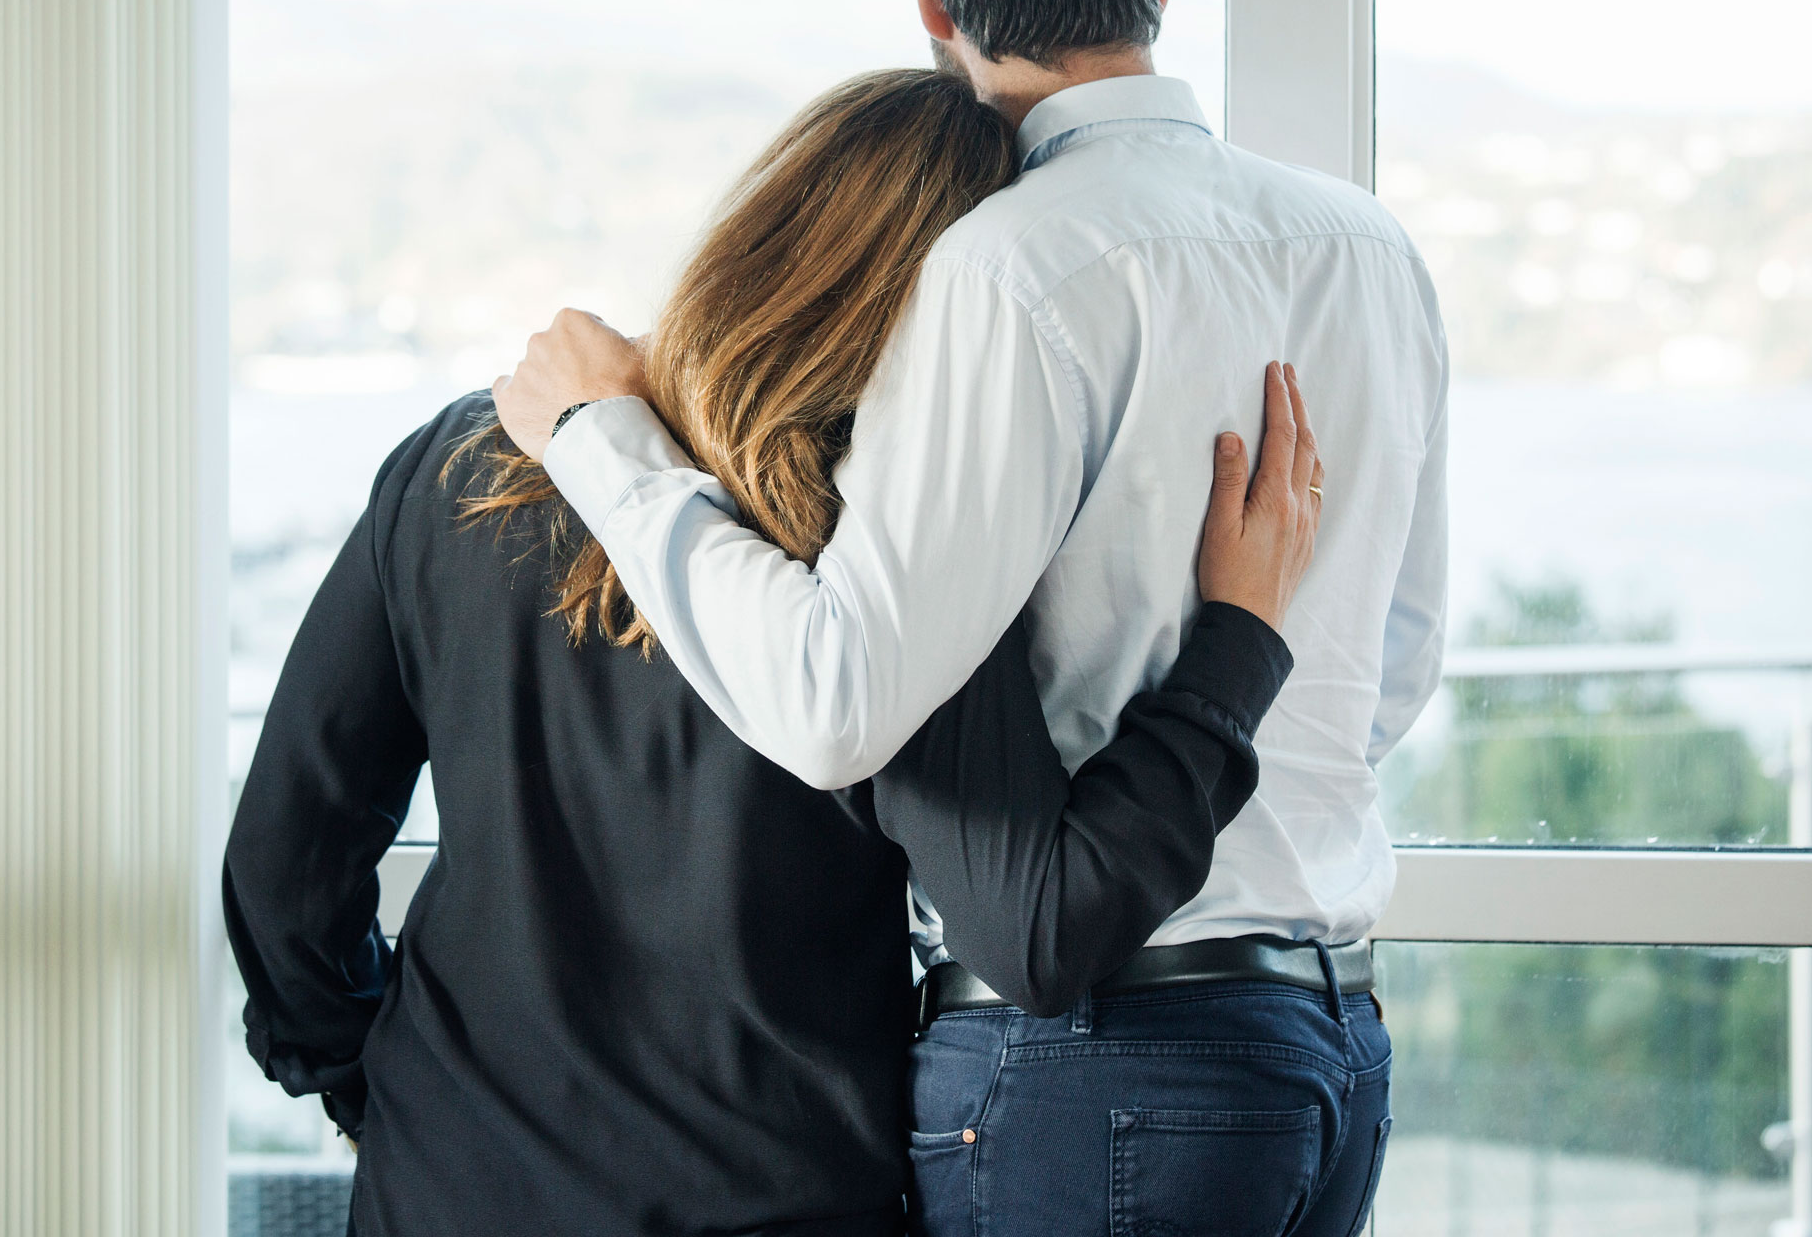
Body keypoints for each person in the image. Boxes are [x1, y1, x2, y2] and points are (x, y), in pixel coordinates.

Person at [495, 0, 1449, 1235]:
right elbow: (1393, 671)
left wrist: (609, 446)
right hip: (1330, 1044)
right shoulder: (1368, 249)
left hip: (1104, 1065)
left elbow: (835, 699)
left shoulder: (1007, 268)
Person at [225, 68, 1330, 1237]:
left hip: (445, 1196)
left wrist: (379, 1091)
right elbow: (1041, 923)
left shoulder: (464, 468)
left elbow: (284, 867)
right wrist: (1240, 637)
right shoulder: (891, 562)